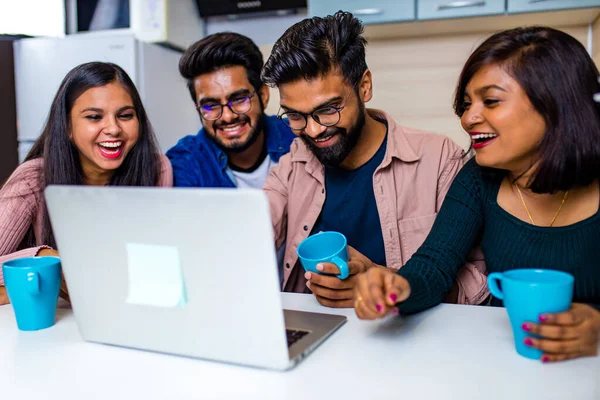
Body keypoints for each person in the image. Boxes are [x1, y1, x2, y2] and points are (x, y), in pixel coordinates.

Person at [354, 26, 600, 362]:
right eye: (468, 103)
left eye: (491, 101)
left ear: (555, 103)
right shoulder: (477, 179)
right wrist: (398, 287)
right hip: (508, 362)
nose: (468, 118)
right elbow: (434, 266)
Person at [261, 11, 488, 308]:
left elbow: (477, 280)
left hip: (409, 337)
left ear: (364, 86)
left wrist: (385, 284)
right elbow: (253, 229)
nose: (314, 130)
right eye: (294, 115)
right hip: (317, 337)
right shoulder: (294, 164)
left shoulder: (439, 161)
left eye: (329, 109)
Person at [0, 62, 173, 305]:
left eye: (125, 116)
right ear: (68, 127)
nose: (113, 129)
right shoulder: (32, 179)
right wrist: (45, 261)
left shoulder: (157, 168)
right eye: (94, 117)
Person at [166, 32, 296, 188]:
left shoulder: (300, 137)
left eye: (239, 99)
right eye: (211, 105)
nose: (227, 117)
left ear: (263, 95)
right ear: (198, 110)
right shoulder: (186, 163)